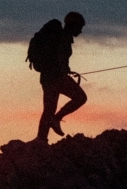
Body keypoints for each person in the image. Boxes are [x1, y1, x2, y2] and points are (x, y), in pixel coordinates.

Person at [27, 11, 88, 143]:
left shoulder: (56, 36)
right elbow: (60, 57)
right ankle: (57, 118)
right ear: (73, 25)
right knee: (80, 98)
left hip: (47, 78)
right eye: (80, 28)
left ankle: (41, 138)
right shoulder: (64, 38)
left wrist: (66, 69)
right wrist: (65, 70)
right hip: (58, 78)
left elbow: (57, 57)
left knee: (48, 109)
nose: (80, 31)